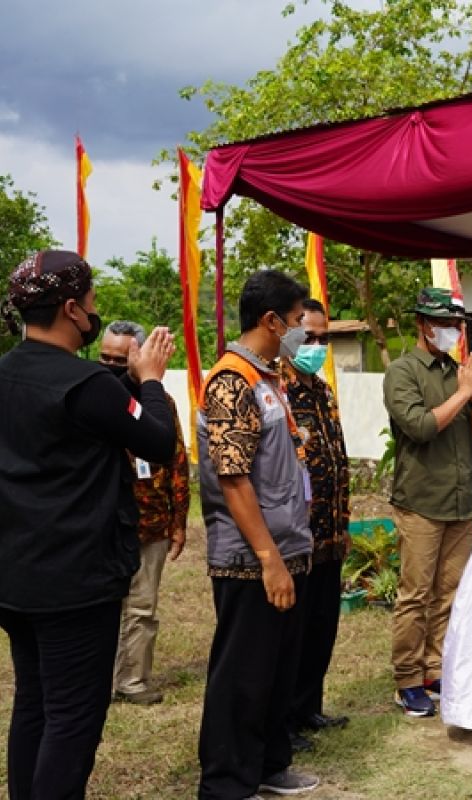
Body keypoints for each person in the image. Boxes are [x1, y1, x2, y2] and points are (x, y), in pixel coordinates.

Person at [0, 250, 177, 800]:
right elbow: (158, 442)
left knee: (34, 701)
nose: (95, 311)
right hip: (74, 581)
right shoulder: (85, 384)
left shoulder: (6, 372)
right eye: (93, 301)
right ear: (73, 309)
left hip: (14, 576)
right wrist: (149, 380)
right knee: (74, 717)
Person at [196, 269, 319, 799]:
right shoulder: (231, 381)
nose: (301, 333)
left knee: (275, 671)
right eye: (296, 322)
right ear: (271, 321)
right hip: (250, 558)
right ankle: (226, 782)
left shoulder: (269, 376)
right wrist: (268, 557)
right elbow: (233, 477)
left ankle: (270, 763)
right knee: (242, 675)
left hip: (284, 547)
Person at [383, 287, 472, 717]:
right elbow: (422, 427)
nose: (453, 332)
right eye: (445, 324)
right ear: (423, 326)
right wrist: (465, 393)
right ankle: (407, 679)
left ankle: (435, 669)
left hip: (460, 501)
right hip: (422, 501)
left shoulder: (459, 372)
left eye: (458, 325)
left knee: (450, 594)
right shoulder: (403, 372)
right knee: (416, 594)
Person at [100, 320, 190, 706]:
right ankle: (96, 683)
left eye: (120, 361)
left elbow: (177, 461)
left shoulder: (159, 403)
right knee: (101, 607)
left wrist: (179, 520)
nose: (110, 367)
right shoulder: (93, 399)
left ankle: (133, 680)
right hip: (102, 524)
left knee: (142, 606)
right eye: (104, 358)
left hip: (150, 523)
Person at [282, 299, 351, 749]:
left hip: (330, 533)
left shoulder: (323, 390)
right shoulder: (278, 390)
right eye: (309, 336)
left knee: (323, 626)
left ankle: (308, 707)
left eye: (323, 337)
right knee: (294, 632)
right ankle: (283, 720)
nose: (317, 345)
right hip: (298, 537)